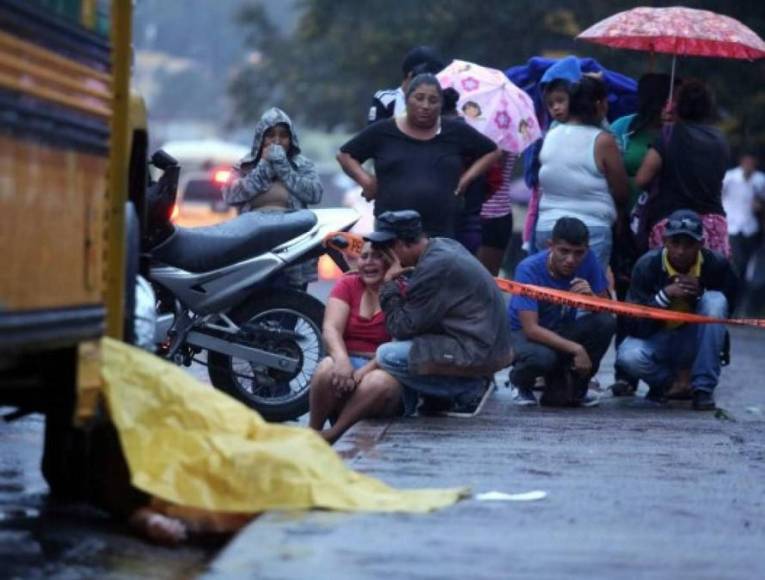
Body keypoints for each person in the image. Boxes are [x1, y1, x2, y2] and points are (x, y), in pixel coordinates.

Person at [372, 210, 513, 416]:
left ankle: (467, 389)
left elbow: (401, 326)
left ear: (401, 244)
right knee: (404, 343)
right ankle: (421, 402)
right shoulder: (441, 246)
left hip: (479, 350)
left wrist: (388, 285)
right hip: (483, 341)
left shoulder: (434, 267)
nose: (383, 257)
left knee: (388, 355)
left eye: (386, 249)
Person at [338, 74, 501, 238]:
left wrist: (466, 179)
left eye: (433, 100)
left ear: (441, 104)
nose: (425, 106)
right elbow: (345, 155)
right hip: (390, 230)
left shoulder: (454, 131)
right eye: (419, 98)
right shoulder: (383, 131)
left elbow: (492, 151)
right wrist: (366, 181)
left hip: (441, 231)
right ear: (407, 99)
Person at [615, 209, 738, 411]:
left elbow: (726, 314)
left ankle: (703, 389)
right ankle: (672, 383)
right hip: (658, 337)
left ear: (700, 244)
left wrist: (700, 295)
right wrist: (663, 297)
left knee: (715, 300)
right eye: (675, 243)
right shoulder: (647, 265)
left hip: (694, 337)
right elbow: (633, 324)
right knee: (628, 356)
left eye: (689, 245)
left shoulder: (717, 265)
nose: (681, 251)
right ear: (665, 241)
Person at [609, 73, 676, 396]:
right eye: (666, 98)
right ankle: (625, 371)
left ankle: (662, 372)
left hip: (664, 228)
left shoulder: (677, 133)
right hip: (626, 225)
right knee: (627, 294)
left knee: (665, 293)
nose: (671, 105)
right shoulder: (622, 128)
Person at [508, 217, 615, 407]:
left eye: (578, 253)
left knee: (605, 322)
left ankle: (577, 384)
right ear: (551, 246)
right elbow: (531, 329)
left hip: (560, 330)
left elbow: (608, 307)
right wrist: (576, 349)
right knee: (542, 358)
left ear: (586, 250)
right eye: (564, 252)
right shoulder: (528, 269)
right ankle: (520, 382)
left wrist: (592, 299)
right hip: (523, 334)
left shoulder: (588, 260)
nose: (571, 260)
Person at [309, 243, 402, 443]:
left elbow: (399, 345)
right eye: (364, 256)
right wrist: (342, 361)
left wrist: (362, 372)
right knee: (326, 366)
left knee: (378, 381)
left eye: (376, 256)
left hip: (382, 368)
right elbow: (331, 328)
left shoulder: (400, 290)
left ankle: (334, 434)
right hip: (347, 363)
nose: (368, 262)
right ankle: (312, 432)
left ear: (390, 261)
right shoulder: (348, 283)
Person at [535, 76, 629, 271]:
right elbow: (621, 191)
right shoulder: (603, 141)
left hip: (547, 228)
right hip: (591, 232)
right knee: (585, 295)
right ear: (599, 105)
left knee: (549, 295)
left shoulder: (551, 135)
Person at [223, 107, 323, 288]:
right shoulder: (244, 166)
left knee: (289, 301)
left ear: (291, 139)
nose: (277, 141)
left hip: (292, 246)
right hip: (254, 247)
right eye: (270, 135)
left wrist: (284, 168)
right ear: (260, 138)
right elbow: (230, 195)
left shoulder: (302, 165)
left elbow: (315, 193)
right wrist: (264, 168)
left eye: (283, 135)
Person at [635, 79, 731, 257]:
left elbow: (642, 178)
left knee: (667, 280)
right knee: (710, 281)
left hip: (673, 225)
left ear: (678, 105)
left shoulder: (669, 134)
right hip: (712, 226)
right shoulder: (721, 139)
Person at [367, 45, 445, 125]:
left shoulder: (440, 102)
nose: (426, 106)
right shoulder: (387, 100)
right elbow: (373, 134)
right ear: (410, 76)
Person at [722, 152, 765, 294]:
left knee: (747, 261)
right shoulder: (729, 177)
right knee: (736, 260)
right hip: (732, 225)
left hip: (750, 227)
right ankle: (735, 288)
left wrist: (759, 206)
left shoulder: (760, 180)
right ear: (742, 162)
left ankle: (743, 291)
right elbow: (719, 194)